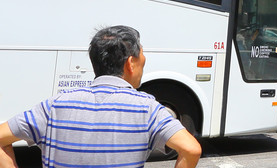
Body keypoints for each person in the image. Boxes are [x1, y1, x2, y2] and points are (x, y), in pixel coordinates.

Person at [0, 25, 201, 168]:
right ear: (130, 63)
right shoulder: (148, 109)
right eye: (142, 58)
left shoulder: (55, 106)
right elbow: (191, 149)